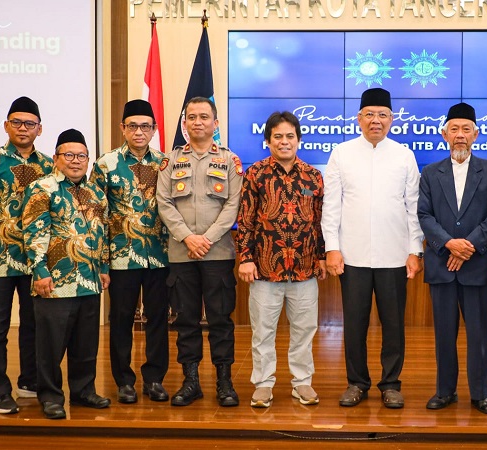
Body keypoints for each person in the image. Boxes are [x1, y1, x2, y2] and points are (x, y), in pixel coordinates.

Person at [322, 88, 423, 409]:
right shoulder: (342, 153)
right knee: (354, 323)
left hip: (394, 255)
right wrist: (332, 248)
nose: (375, 121)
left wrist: (414, 250)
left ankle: (391, 383)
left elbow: (413, 206)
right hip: (352, 255)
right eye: (369, 115)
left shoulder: (404, 155)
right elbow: (331, 206)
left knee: (393, 323)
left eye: (382, 115)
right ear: (359, 119)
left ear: (391, 119)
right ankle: (357, 382)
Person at [417, 102, 487, 414]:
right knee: (444, 335)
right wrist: (449, 244)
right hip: (442, 265)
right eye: (454, 129)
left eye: (466, 129)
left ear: (476, 135)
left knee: (479, 335)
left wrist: (467, 246)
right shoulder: (429, 173)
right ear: (444, 134)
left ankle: (480, 394)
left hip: (476, 266)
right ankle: (445, 391)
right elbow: (424, 215)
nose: (459, 135)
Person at [236, 111, 326, 408]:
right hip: (264, 268)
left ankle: (303, 383)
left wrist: (322, 257)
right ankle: (263, 384)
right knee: (263, 331)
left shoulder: (313, 176)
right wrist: (246, 258)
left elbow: (320, 222)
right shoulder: (256, 174)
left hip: (305, 268)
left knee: (304, 330)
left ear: (299, 140)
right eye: (278, 137)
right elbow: (246, 220)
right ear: (267, 141)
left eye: (290, 136)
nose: (284, 142)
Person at [156, 97, 241, 407]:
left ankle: (224, 382)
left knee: (220, 320)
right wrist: (188, 238)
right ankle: (191, 381)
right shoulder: (170, 160)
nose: (198, 122)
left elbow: (233, 205)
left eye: (204, 117)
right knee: (186, 320)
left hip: (218, 253)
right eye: (191, 117)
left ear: (215, 124)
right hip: (182, 254)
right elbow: (163, 202)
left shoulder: (230, 161)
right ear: (185, 123)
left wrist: (206, 238)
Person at [23, 129, 112, 420]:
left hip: (88, 281)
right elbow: (35, 232)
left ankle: (83, 391)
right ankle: (49, 396)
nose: (76, 161)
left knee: (86, 344)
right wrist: (40, 271)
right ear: (57, 157)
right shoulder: (42, 188)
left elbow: (104, 233)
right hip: (54, 282)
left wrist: (104, 268)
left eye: (82, 156)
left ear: (88, 160)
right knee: (50, 345)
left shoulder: (96, 192)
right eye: (69, 155)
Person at [0, 96, 53, 414]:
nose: (23, 128)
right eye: (17, 122)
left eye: (29, 123)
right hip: (0, 259)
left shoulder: (48, 165)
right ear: (6, 125)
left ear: (39, 129)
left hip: (35, 261)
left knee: (35, 324)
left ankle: (29, 381)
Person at [91, 100, 170, 404]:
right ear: (123, 128)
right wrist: (101, 261)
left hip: (159, 255)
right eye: (133, 125)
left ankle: (154, 379)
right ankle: (124, 381)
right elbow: (94, 215)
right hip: (120, 257)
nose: (139, 131)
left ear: (154, 129)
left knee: (159, 319)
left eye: (146, 126)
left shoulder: (166, 163)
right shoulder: (105, 164)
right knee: (121, 320)